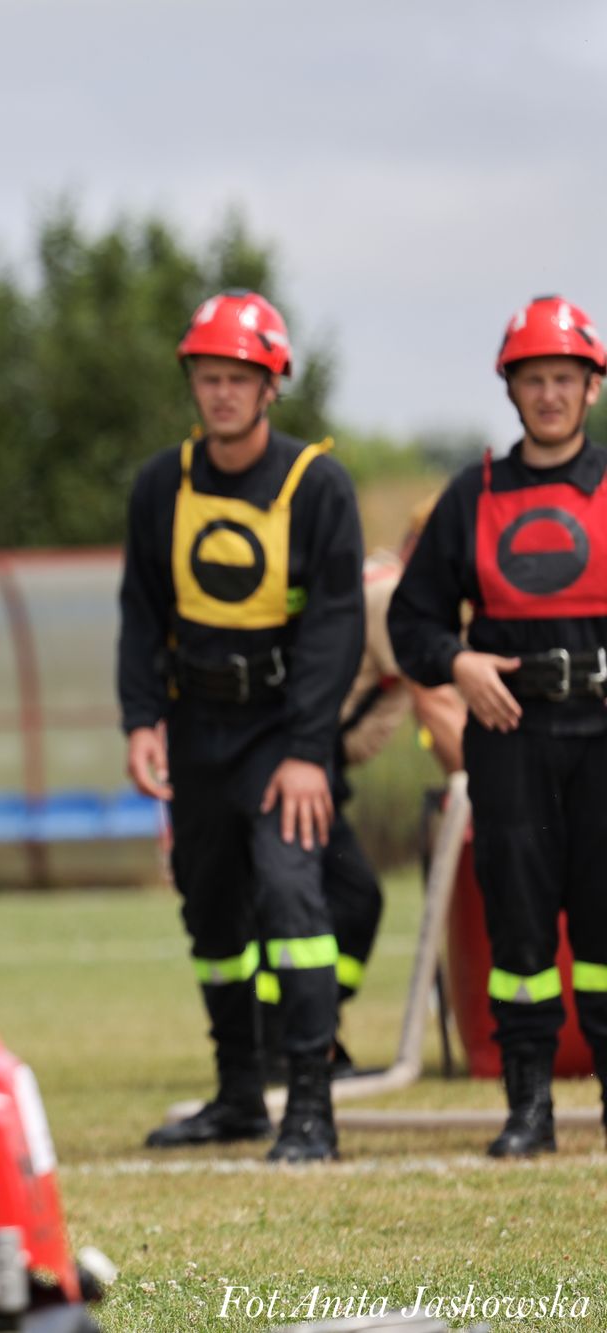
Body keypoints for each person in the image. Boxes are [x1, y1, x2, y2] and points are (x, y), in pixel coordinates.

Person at [118, 290, 365, 1163]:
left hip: (282, 729)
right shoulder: (162, 483)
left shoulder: (317, 484)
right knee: (210, 908)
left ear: (272, 387)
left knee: (294, 896)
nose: (221, 393)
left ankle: (310, 1108)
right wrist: (140, 718)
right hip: (194, 726)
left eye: (239, 378)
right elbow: (142, 613)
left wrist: (307, 752)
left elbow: (338, 626)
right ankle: (236, 1097)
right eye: (208, 376)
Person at [388, 293, 607, 1158]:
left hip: (602, 739)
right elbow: (412, 621)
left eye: (564, 377)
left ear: (591, 388)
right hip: (511, 739)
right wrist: (459, 664)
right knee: (517, 930)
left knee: (605, 929)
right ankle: (529, 1109)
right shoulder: (470, 498)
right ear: (510, 389)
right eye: (533, 379)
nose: (549, 393)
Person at [257, 503, 469, 1078]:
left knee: (335, 900)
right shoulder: (394, 599)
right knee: (346, 899)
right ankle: (289, 1038)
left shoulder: (381, 583)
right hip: (297, 759)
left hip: (306, 757)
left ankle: (299, 1033)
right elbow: (438, 703)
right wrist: (483, 789)